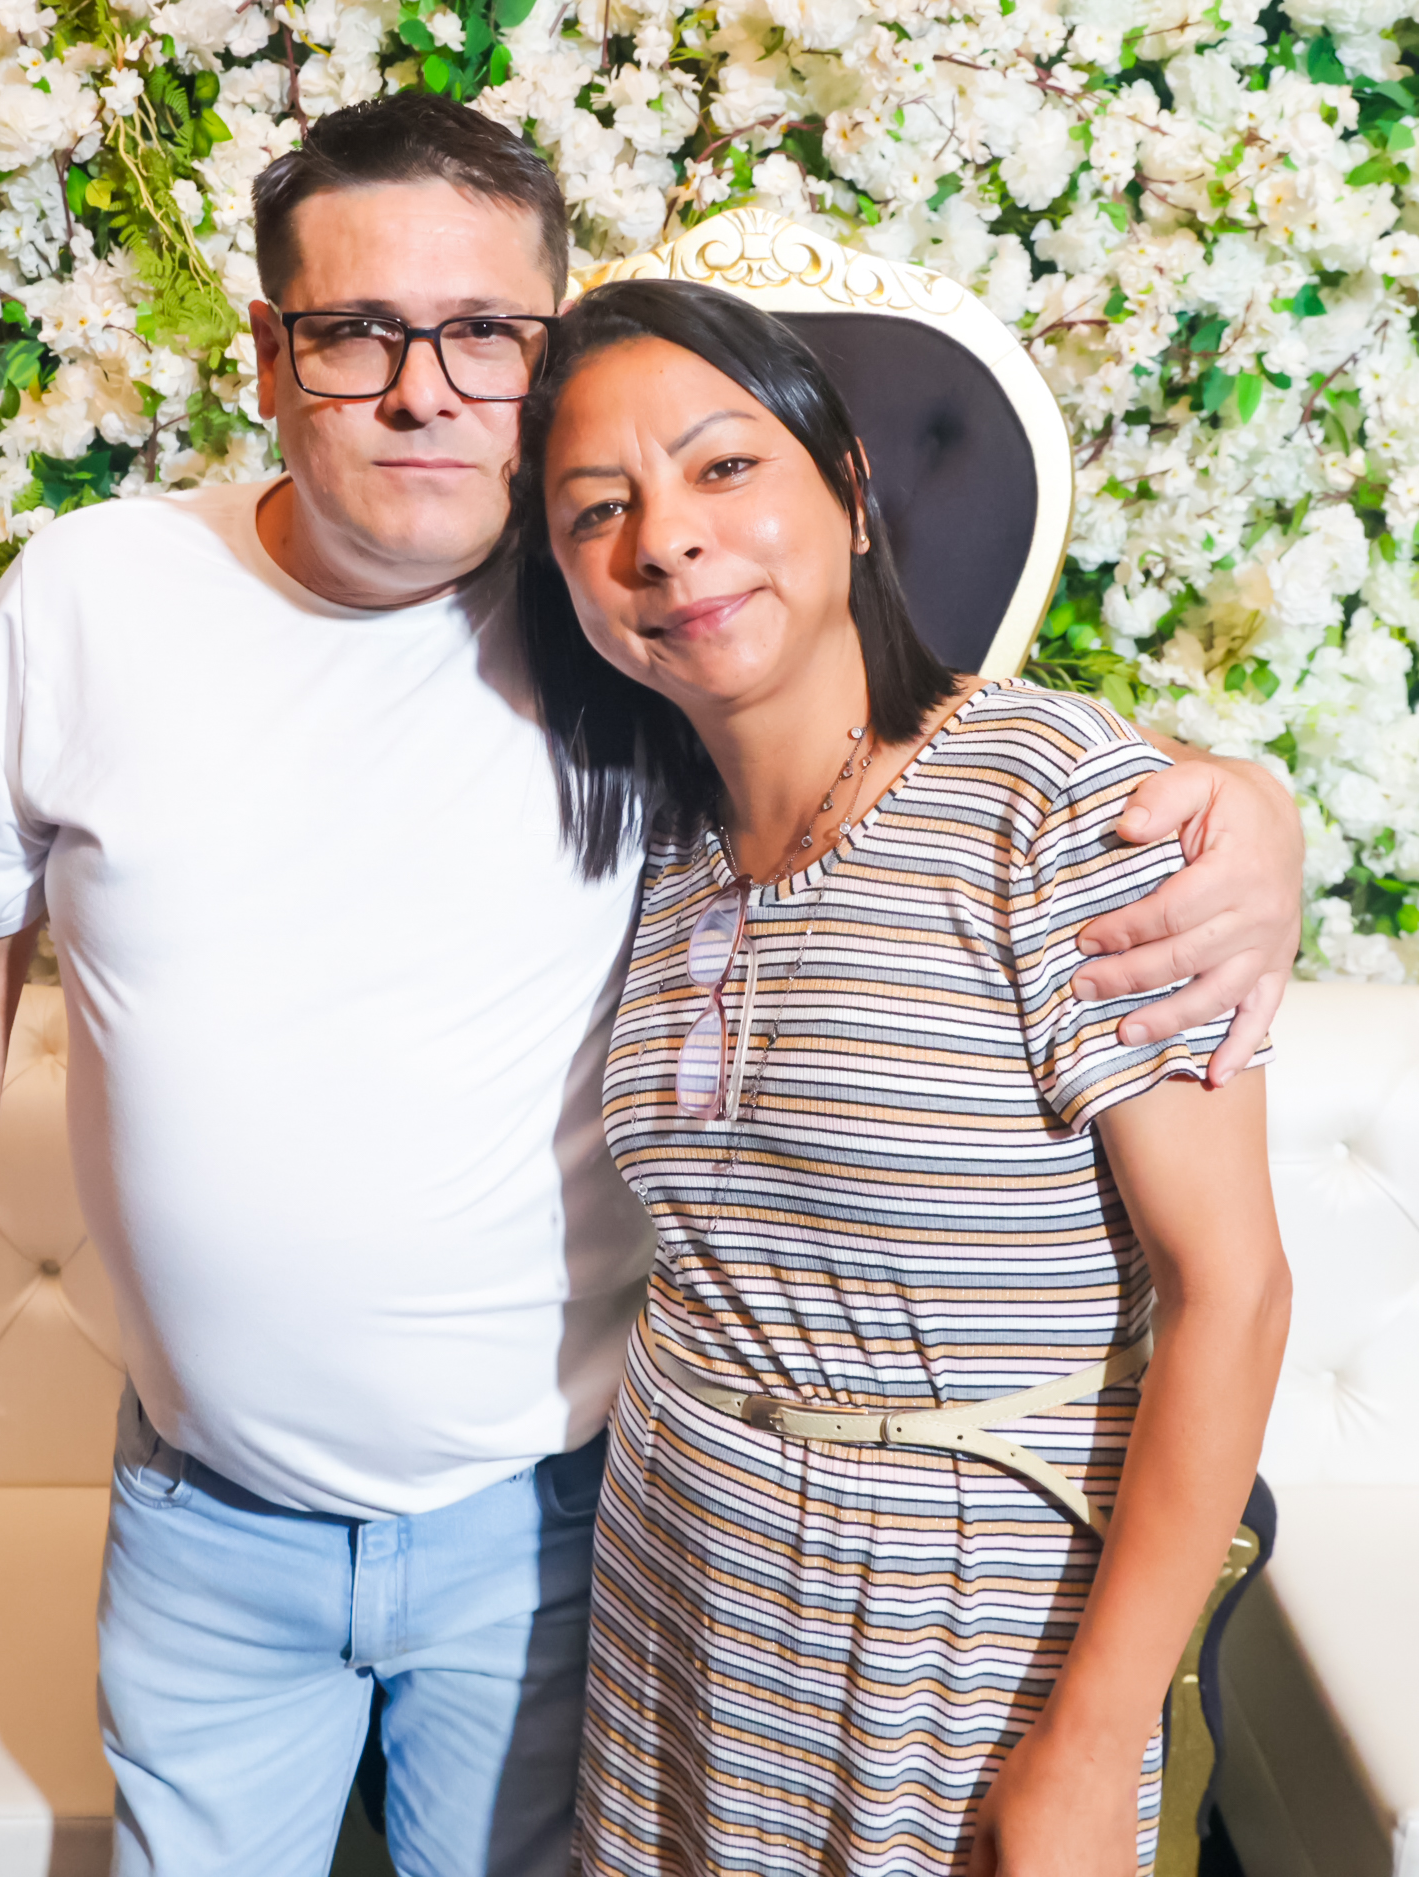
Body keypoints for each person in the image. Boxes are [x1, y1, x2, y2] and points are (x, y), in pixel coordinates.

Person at [0, 95, 1297, 1877]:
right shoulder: (112, 595)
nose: (420, 390)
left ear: (540, 360)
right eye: (356, 332)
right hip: (225, 1514)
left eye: (482, 332)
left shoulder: (619, 656)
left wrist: (1240, 808)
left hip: (556, 1518)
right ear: (270, 356)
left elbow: (913, 748)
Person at [509, 277, 1292, 1877]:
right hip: (680, 1602)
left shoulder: (1061, 803)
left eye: (724, 466)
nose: (666, 539)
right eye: (598, 509)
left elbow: (1231, 1291)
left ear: (851, 493)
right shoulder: (656, 842)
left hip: (964, 1630)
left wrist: (1088, 1748)